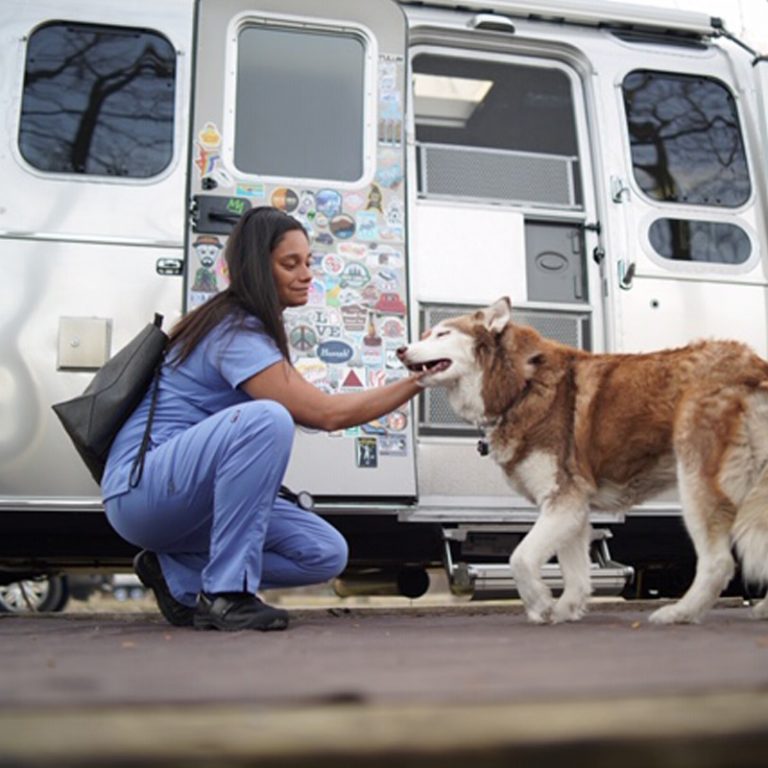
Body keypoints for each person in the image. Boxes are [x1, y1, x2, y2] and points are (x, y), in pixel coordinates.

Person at [101, 206, 424, 632]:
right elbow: (325, 414)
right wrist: (418, 381)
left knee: (325, 552)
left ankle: (178, 576)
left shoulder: (248, 328)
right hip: (143, 492)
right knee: (267, 419)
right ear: (258, 267)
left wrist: (416, 380)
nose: (307, 274)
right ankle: (227, 594)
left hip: (185, 500)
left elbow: (319, 410)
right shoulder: (232, 330)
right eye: (291, 264)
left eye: (308, 262)